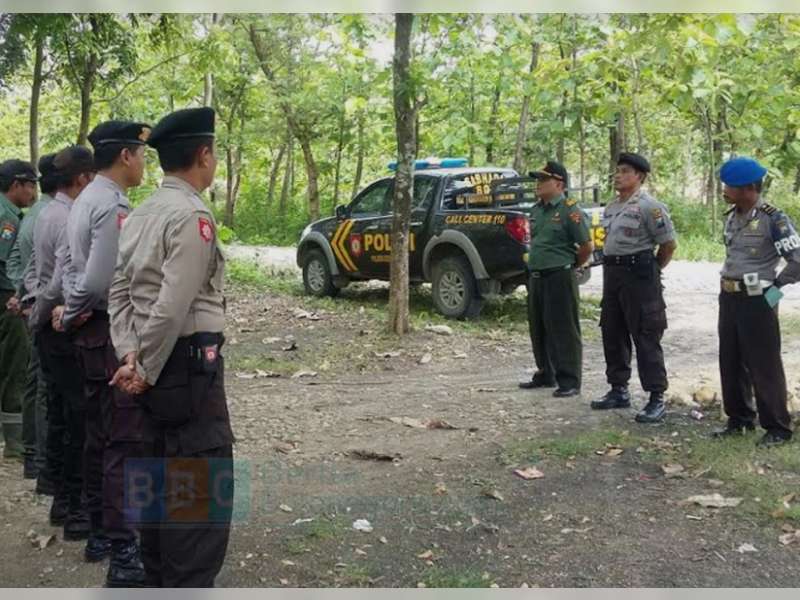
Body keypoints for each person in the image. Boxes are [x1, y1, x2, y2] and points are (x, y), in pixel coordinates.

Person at [108, 107, 234, 587]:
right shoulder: (191, 215)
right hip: (183, 369)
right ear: (204, 155)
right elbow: (172, 305)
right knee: (197, 501)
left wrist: (129, 355)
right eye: (215, 153)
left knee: (157, 486)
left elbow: (118, 292)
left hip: (152, 365)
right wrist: (147, 368)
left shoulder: (141, 213)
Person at [57, 121, 150, 584]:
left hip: (90, 333)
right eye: (141, 153)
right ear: (127, 156)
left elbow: (72, 270)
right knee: (123, 441)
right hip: (107, 331)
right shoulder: (110, 203)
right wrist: (75, 309)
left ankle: (99, 532)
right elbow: (100, 281)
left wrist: (70, 311)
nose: (144, 161)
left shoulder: (85, 197)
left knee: (98, 436)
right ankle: (123, 550)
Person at [26, 145, 94, 540]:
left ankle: (62, 500)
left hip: (52, 323)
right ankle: (73, 507)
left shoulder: (47, 212)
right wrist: (43, 312)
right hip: (61, 324)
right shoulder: (66, 216)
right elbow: (58, 279)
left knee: (64, 413)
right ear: (82, 178)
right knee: (77, 419)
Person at [714, 156, 800, 447]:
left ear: (749, 188)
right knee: (731, 359)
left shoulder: (773, 219)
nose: (724, 189)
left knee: (764, 363)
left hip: (758, 299)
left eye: (730, 185)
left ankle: (778, 426)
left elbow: (797, 261)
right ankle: (739, 419)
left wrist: (773, 292)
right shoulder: (732, 216)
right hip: (729, 296)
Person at [590, 152, 677, 423]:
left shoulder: (650, 207)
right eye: (617, 170)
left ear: (638, 176)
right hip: (613, 273)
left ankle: (656, 398)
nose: (618, 175)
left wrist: (651, 272)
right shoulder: (612, 207)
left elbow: (668, 244)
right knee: (612, 330)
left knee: (646, 333)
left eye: (625, 171)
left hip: (639, 275)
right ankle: (618, 389)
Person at [519, 161, 593, 397]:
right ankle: (546, 372)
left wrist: (571, 266)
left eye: (543, 180)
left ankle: (569, 380)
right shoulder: (537, 210)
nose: (538, 185)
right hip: (537, 276)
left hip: (560, 275)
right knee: (539, 327)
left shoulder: (570, 210)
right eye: (537, 180)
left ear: (559, 184)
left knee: (563, 329)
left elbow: (586, 246)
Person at [6, 153, 56, 482]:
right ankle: (38, 456)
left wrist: (19, 293)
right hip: (44, 309)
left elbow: (13, 263)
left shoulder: (30, 215)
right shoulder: (50, 216)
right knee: (40, 383)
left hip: (26, 304)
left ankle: (28, 452)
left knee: (30, 378)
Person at [0, 159, 38, 460]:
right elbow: (5, 263)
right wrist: (16, 294)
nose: (34, 191)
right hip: (6, 298)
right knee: (16, 362)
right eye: (30, 185)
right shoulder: (7, 217)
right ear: (16, 185)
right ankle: (14, 442)